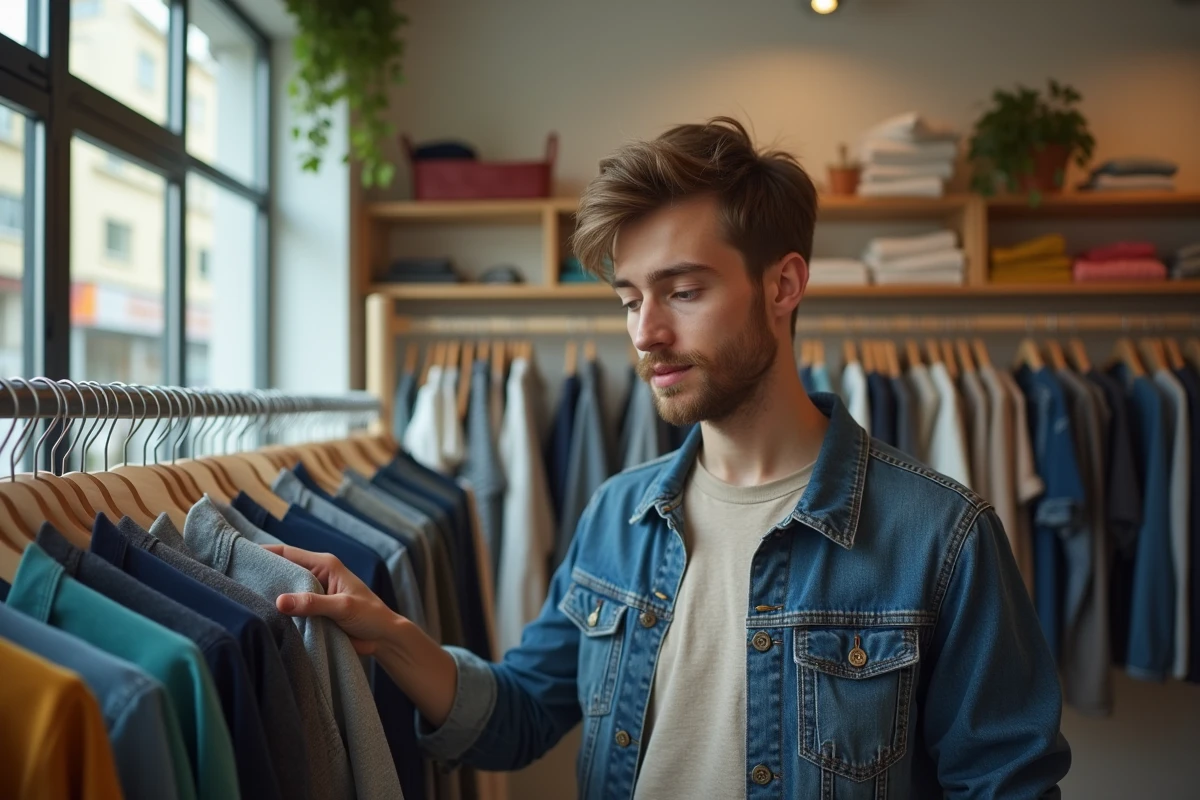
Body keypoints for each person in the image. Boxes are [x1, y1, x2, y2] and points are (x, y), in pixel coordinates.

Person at [266, 117, 1071, 799]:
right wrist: (392, 634)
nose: (646, 333)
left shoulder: (941, 537)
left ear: (783, 284)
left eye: (683, 292)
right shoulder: (617, 514)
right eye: (629, 299)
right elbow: (519, 716)